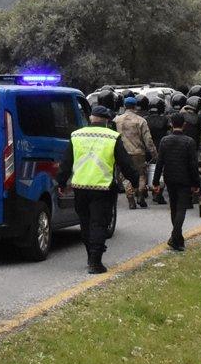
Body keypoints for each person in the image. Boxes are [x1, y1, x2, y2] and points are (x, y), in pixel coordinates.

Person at [57, 106, 140, 273]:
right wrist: (135, 181)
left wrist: (61, 183)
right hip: (102, 187)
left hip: (80, 187)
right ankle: (95, 262)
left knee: (86, 223)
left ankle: (90, 256)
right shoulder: (112, 137)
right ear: (107, 121)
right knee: (99, 223)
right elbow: (125, 164)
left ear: (90, 119)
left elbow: (66, 162)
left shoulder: (76, 135)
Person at [152, 113, 198, 251]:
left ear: (171, 124)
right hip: (185, 179)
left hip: (169, 178)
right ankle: (175, 237)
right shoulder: (189, 142)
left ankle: (178, 239)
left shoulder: (165, 141)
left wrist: (155, 182)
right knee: (181, 209)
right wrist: (196, 183)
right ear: (184, 125)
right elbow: (193, 165)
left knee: (173, 208)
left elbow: (159, 163)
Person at [115, 96, 156, 209]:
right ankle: (140, 194)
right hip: (138, 153)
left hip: (122, 153)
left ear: (124, 106)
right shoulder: (141, 120)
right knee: (142, 175)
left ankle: (130, 198)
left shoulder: (116, 120)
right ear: (135, 107)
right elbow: (148, 139)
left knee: (124, 176)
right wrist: (154, 153)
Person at [145, 98, 171, 204]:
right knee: (160, 171)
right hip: (161, 148)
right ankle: (158, 193)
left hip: (147, 148)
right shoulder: (165, 120)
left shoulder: (145, 119)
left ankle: (142, 191)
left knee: (144, 171)